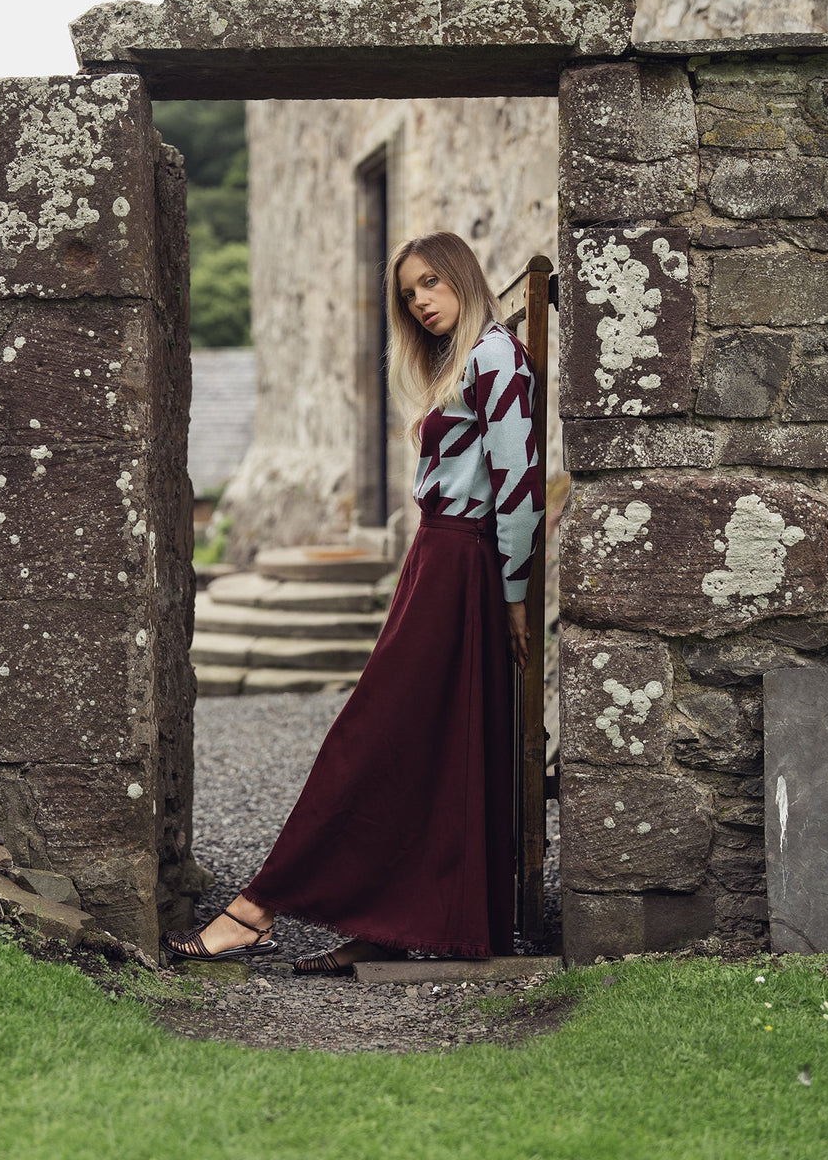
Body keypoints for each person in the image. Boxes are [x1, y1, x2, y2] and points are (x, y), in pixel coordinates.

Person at [162, 231, 545, 973]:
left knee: (369, 738)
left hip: (462, 565)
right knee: (413, 744)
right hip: (437, 558)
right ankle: (389, 924)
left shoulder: (497, 357)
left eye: (432, 283)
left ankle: (256, 911)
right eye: (409, 294)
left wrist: (516, 596)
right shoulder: (466, 363)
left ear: (464, 278)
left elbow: (522, 488)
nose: (421, 302)